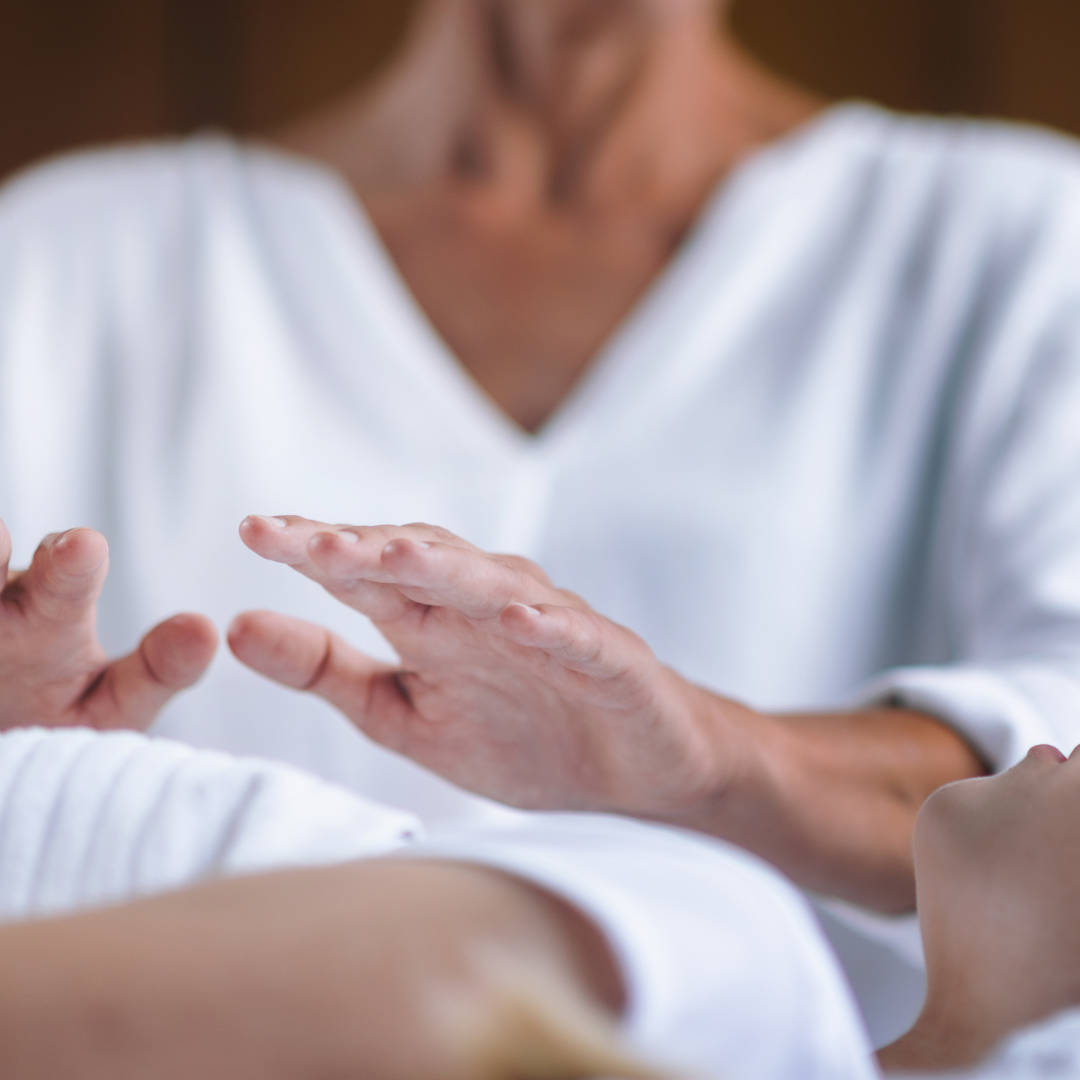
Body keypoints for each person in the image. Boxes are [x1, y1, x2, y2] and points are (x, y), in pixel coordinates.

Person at [5, 0, 1080, 1041]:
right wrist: (23, 779)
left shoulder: (1023, 240)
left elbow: (1056, 778)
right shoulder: (65, 258)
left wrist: (705, 760)